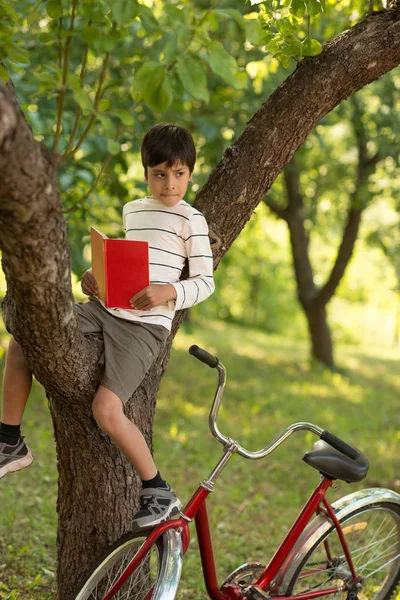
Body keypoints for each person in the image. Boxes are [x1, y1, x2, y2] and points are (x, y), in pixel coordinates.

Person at [0, 123, 215, 530]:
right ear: (146, 172)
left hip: (145, 328)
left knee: (106, 408)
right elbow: (126, 266)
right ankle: (10, 439)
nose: (170, 184)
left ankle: (158, 489)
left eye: (179, 173)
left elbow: (205, 282)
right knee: (23, 340)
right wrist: (93, 277)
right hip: (106, 309)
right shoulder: (134, 210)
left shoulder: (192, 220)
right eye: (160, 174)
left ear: (191, 172)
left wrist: (167, 291)